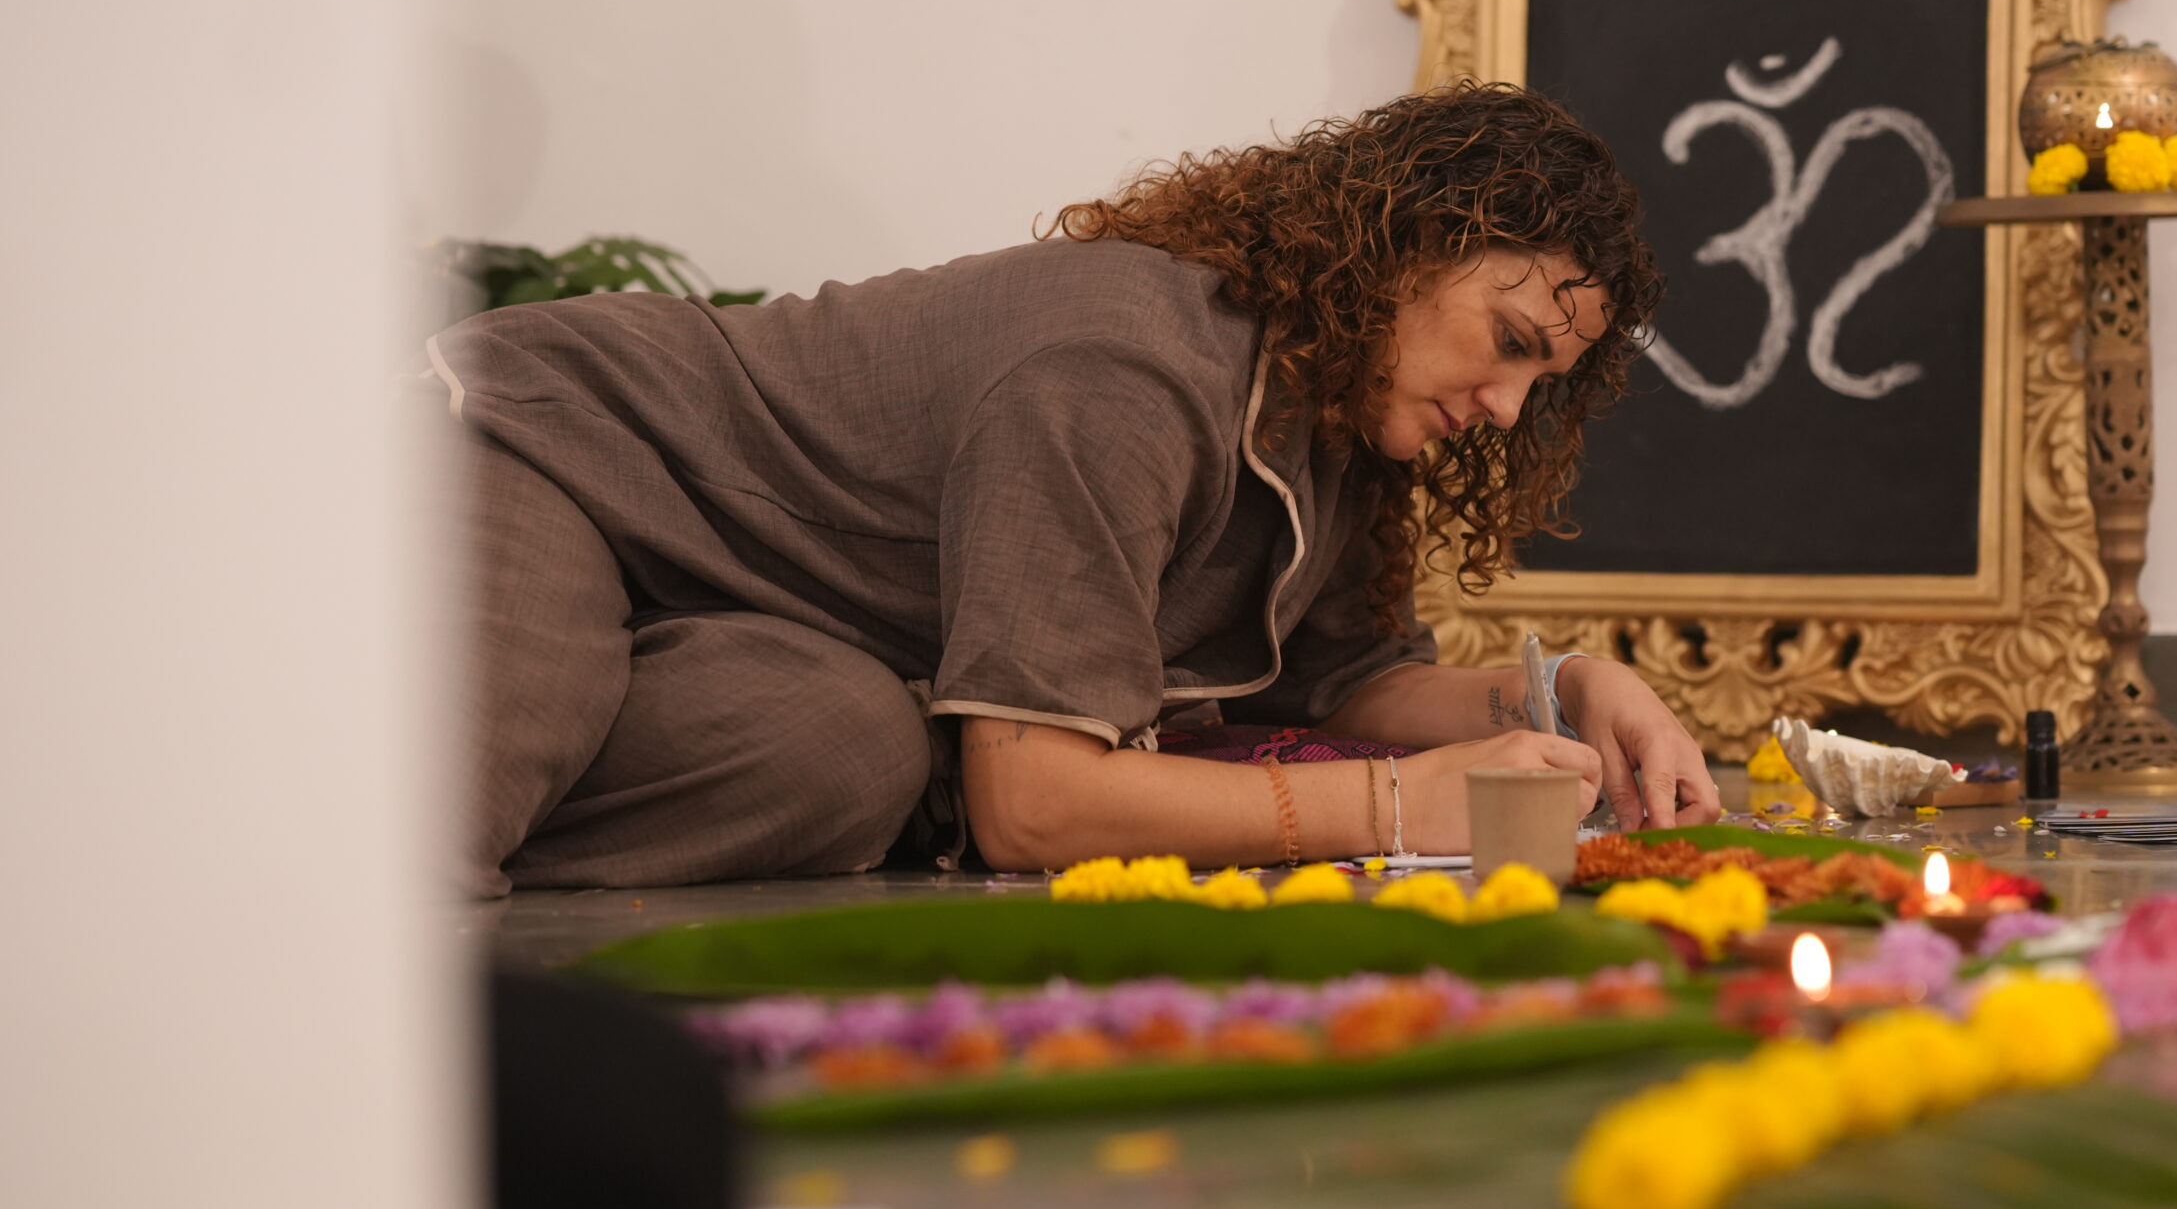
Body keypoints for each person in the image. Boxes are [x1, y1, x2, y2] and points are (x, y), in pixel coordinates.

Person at [433, 82, 1720, 897]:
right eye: (1509, 343)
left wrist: (1564, 692)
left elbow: (1340, 684)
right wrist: (1392, 804)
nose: (1504, 407)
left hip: (771, 617)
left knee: (852, 756)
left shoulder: (1341, 414)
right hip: (562, 452)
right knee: (427, 843)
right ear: (1403, 251)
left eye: (1539, 385)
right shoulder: (1128, 368)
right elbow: (1031, 805)